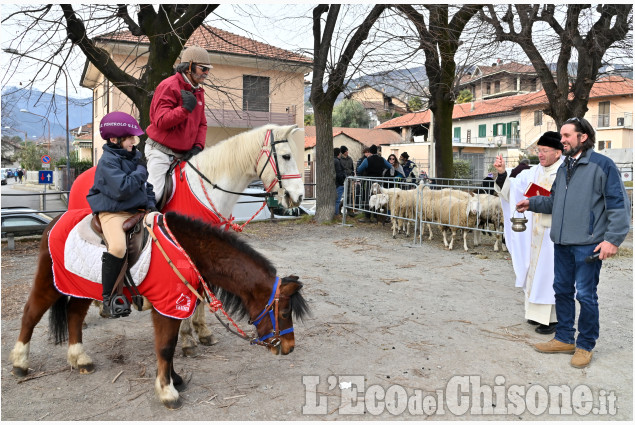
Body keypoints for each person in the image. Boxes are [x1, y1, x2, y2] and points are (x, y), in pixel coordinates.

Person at [516, 117, 631, 368]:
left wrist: (612, 240)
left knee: (587, 296)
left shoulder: (603, 166)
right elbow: (555, 201)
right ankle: (564, 338)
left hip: (588, 244)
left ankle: (585, 345)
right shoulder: (565, 166)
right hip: (562, 242)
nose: (562, 140)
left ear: (583, 137)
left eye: (567, 135)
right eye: (562, 135)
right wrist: (532, 203)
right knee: (562, 291)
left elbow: (620, 204)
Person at [87, 112, 158, 318]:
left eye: (134, 138)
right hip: (113, 211)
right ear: (114, 139)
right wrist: (141, 172)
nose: (134, 142)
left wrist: (152, 207)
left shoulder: (134, 157)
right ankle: (108, 299)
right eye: (130, 138)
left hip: (137, 210)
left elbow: (147, 188)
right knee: (118, 247)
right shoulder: (107, 162)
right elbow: (123, 189)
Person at [494, 131, 564, 335]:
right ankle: (535, 314)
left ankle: (552, 319)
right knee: (533, 270)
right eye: (538, 150)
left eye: (544, 151)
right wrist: (501, 173)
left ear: (558, 153)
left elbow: (560, 200)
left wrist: (537, 196)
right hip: (534, 232)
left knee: (548, 274)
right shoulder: (532, 172)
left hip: (553, 232)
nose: (540, 154)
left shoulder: (565, 172)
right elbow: (513, 188)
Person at [145, 45, 211, 202]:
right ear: (189, 67)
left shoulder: (198, 91)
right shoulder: (168, 86)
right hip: (161, 152)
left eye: (209, 69)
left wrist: (198, 146)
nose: (207, 73)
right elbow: (160, 121)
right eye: (203, 69)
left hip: (184, 155)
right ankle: (140, 224)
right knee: (156, 196)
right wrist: (185, 109)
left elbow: (202, 124)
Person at [356, 144, 392, 222]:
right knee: (378, 197)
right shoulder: (382, 159)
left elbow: (359, 169)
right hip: (379, 181)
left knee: (368, 197)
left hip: (369, 181)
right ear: (377, 151)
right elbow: (390, 166)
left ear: (370, 151)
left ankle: (367, 217)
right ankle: (375, 217)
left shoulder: (367, 160)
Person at [334, 147, 346, 216]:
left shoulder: (332, 160)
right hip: (338, 184)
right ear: (339, 154)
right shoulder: (337, 161)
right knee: (337, 200)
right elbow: (339, 173)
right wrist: (342, 182)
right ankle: (336, 214)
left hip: (334, 183)